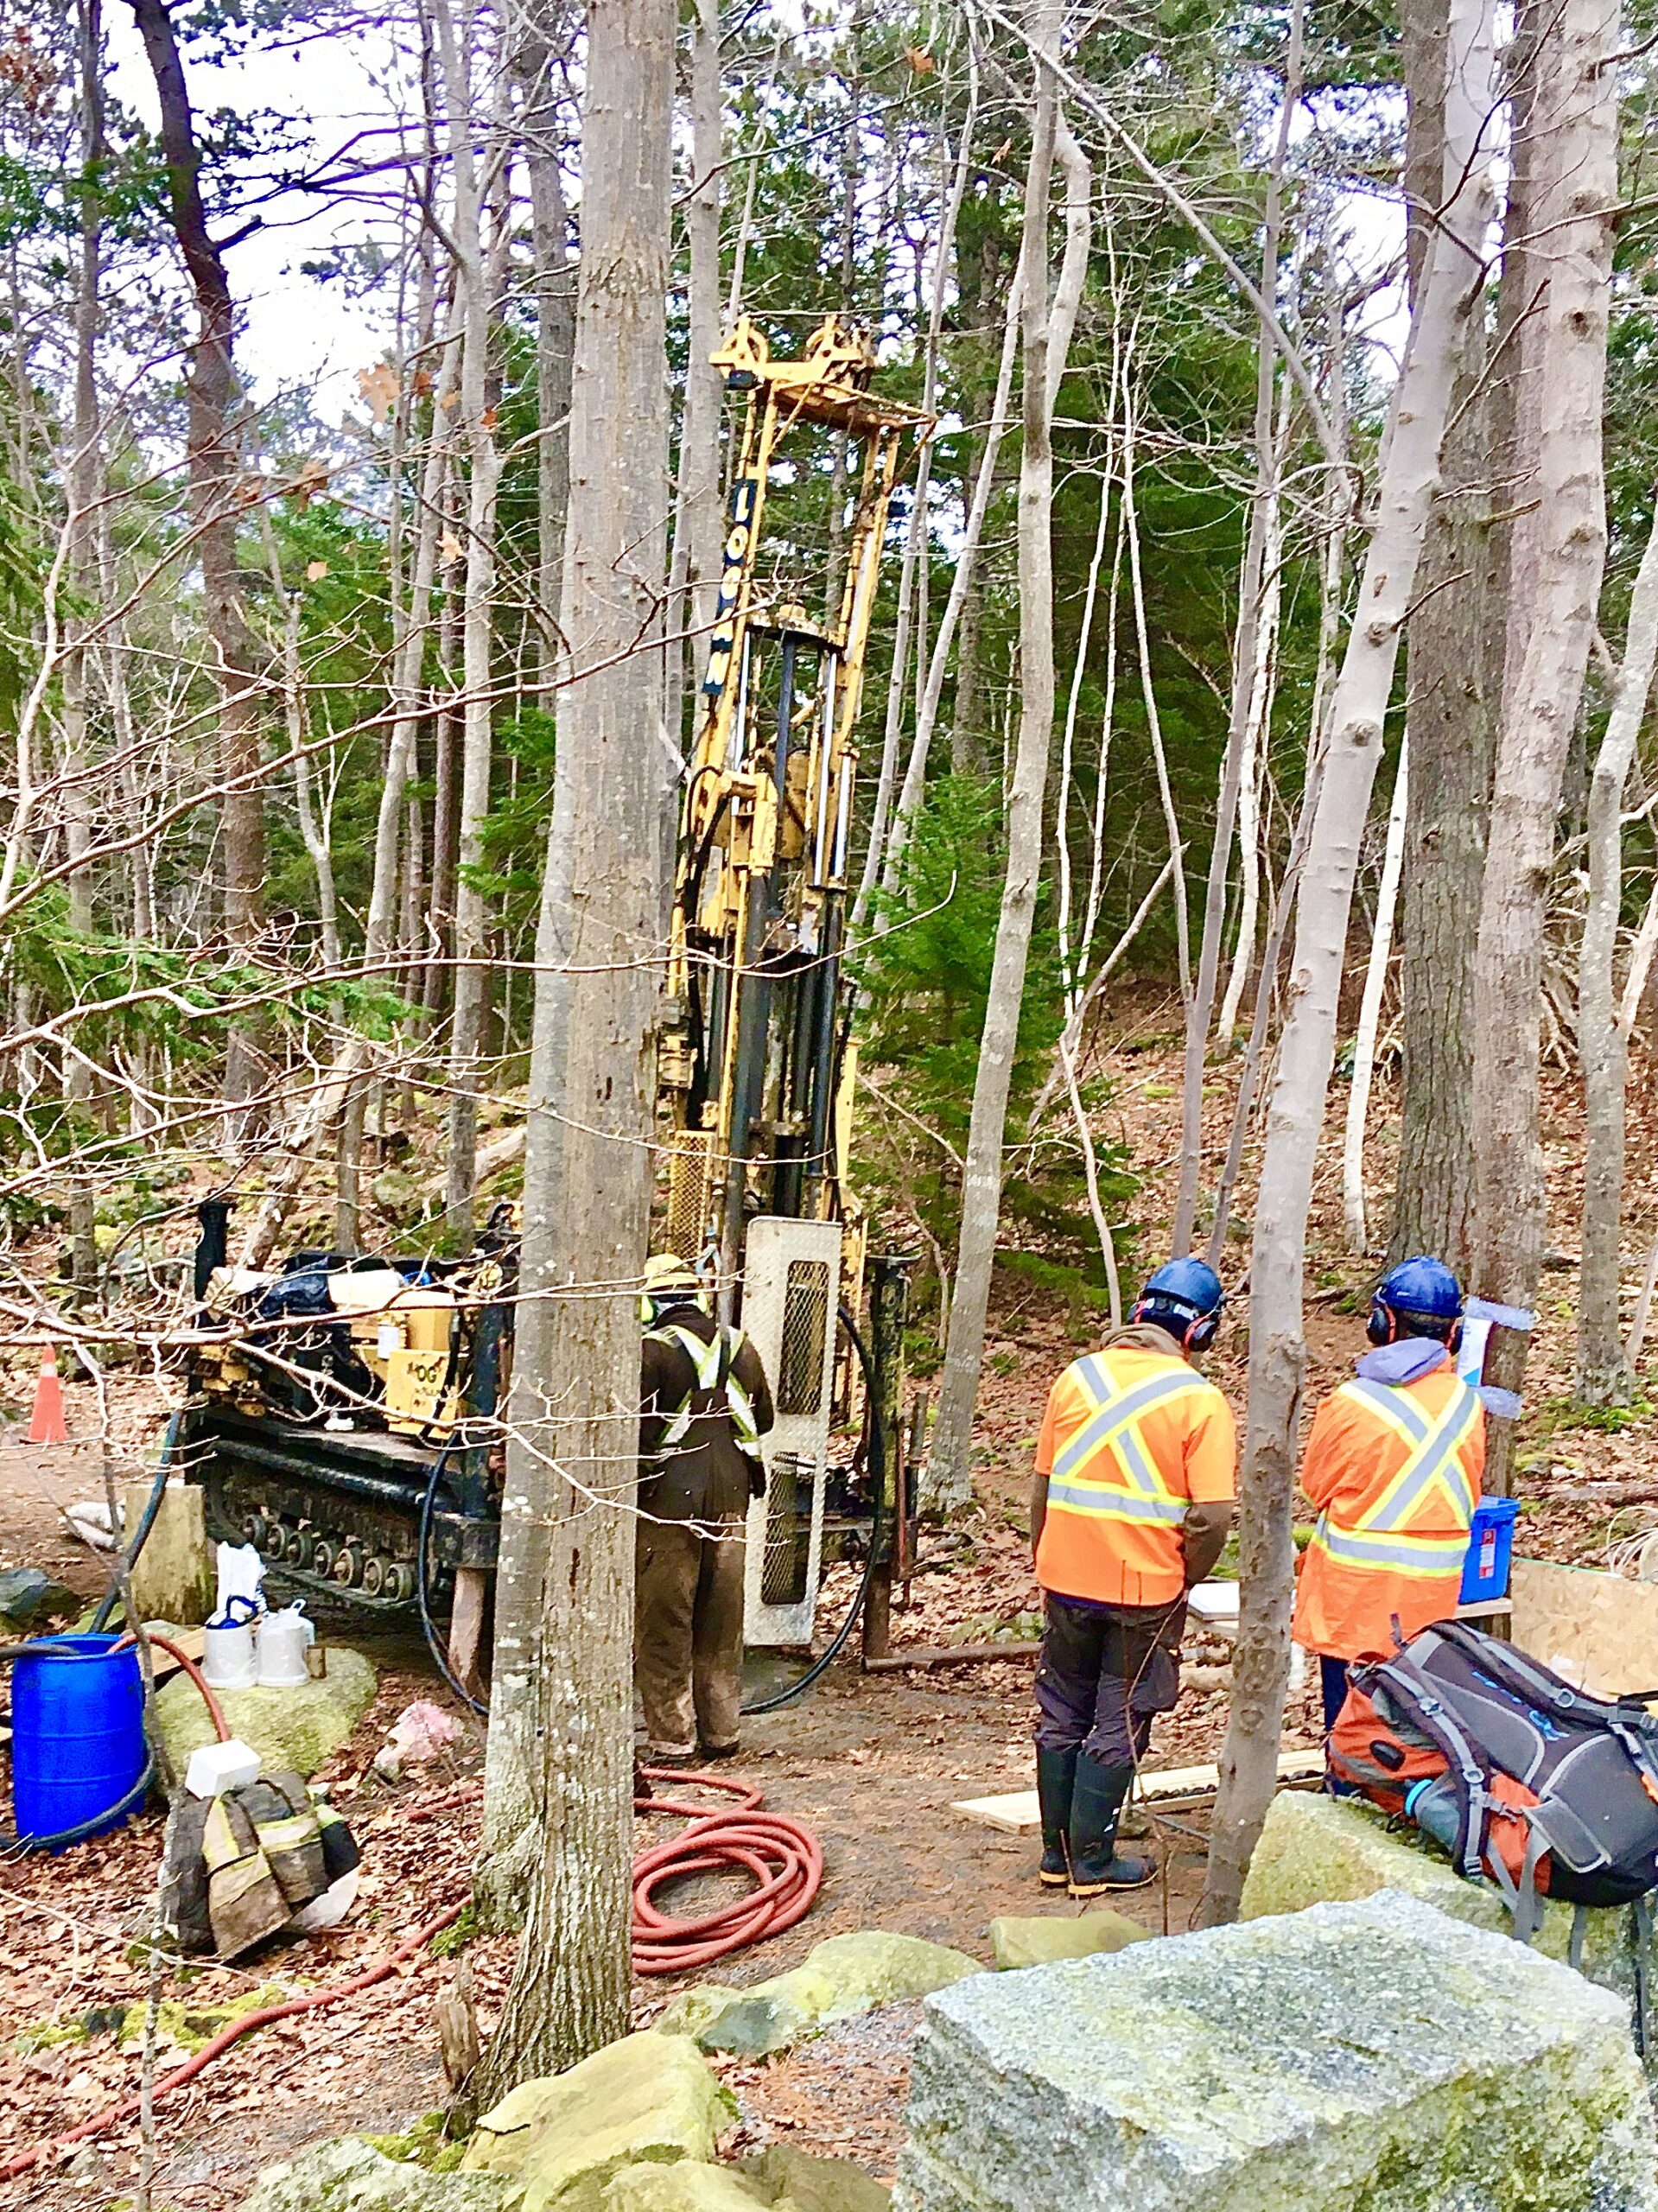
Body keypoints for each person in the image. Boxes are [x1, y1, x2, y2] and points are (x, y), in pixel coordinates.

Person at [1030, 1258, 1236, 1897]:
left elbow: (1041, 1488)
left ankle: (1056, 1853)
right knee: (1119, 1716)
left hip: (1064, 1576)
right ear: (1198, 1332)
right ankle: (1092, 1860)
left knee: (1062, 1707)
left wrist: (1048, 1557)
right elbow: (1209, 1517)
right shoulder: (1198, 1400)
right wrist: (1182, 1576)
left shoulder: (1075, 1377)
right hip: (1141, 1590)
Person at [1293, 1255, 1485, 1740]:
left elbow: (1316, 1487)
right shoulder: (1468, 1404)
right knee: (1417, 1736)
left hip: (1352, 1602)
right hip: (1429, 1605)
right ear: (1452, 1334)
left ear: (1384, 1323)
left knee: (1349, 1733)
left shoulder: (1350, 1402)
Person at [635, 1254, 775, 1764]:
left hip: (668, 1500)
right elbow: (763, 1419)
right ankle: (722, 1732)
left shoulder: (651, 1352)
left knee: (665, 1618)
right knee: (720, 1616)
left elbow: (636, 1435)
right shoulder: (741, 1347)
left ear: (652, 1300)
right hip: (732, 1496)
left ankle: (672, 1741)